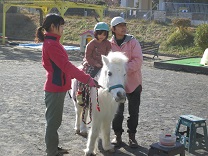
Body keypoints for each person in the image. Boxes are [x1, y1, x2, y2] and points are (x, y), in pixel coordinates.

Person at [34, 13, 99, 156]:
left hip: (58, 87)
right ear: (53, 26)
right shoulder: (52, 44)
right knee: (53, 122)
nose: (63, 28)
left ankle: (54, 148)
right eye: (61, 25)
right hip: (55, 88)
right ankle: (51, 151)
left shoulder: (53, 43)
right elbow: (66, 66)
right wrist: (87, 79)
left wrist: (78, 74)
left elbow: (63, 68)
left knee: (55, 121)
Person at [109, 16, 143, 148]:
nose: (123, 28)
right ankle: (117, 135)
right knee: (117, 111)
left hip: (134, 82)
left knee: (133, 112)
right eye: (120, 26)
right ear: (113, 29)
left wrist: (122, 69)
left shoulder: (133, 42)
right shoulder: (109, 44)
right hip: (117, 84)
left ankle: (132, 136)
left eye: (124, 25)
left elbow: (138, 60)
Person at [76, 22, 111, 105]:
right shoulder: (91, 44)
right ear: (96, 33)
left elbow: (109, 54)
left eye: (104, 34)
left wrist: (106, 63)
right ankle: (81, 94)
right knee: (87, 76)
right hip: (91, 63)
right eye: (100, 34)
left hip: (104, 64)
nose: (102, 36)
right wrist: (95, 63)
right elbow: (88, 56)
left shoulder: (108, 44)